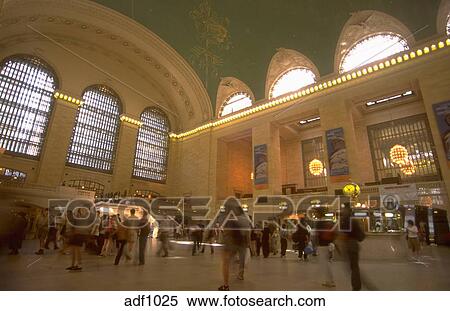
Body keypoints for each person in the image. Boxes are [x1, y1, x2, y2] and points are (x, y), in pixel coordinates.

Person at [218, 200, 251, 291]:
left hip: (231, 243)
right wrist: (248, 243)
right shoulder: (246, 220)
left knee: (226, 262)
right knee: (242, 260)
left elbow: (227, 231)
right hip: (242, 243)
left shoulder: (231, 218)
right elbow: (248, 233)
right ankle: (241, 274)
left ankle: (226, 285)